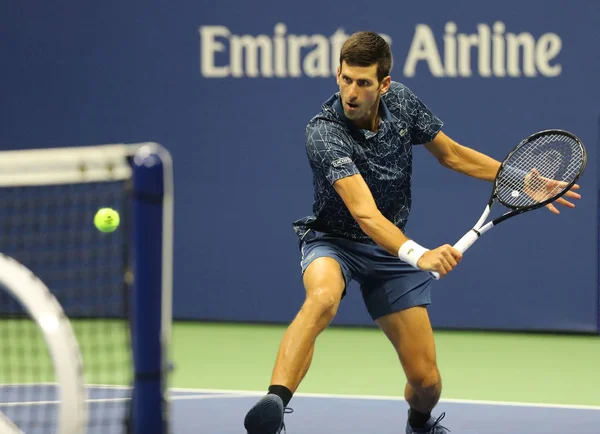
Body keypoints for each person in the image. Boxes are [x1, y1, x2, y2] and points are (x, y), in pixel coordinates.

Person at [243, 31, 581, 434]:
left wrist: (516, 178)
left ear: (383, 85)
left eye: (363, 83)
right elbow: (365, 214)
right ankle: (273, 405)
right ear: (337, 74)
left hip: (388, 254)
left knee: (426, 382)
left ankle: (419, 425)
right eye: (345, 79)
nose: (352, 92)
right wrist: (418, 254)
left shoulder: (401, 102)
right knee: (322, 297)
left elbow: (451, 154)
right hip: (334, 241)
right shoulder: (322, 131)